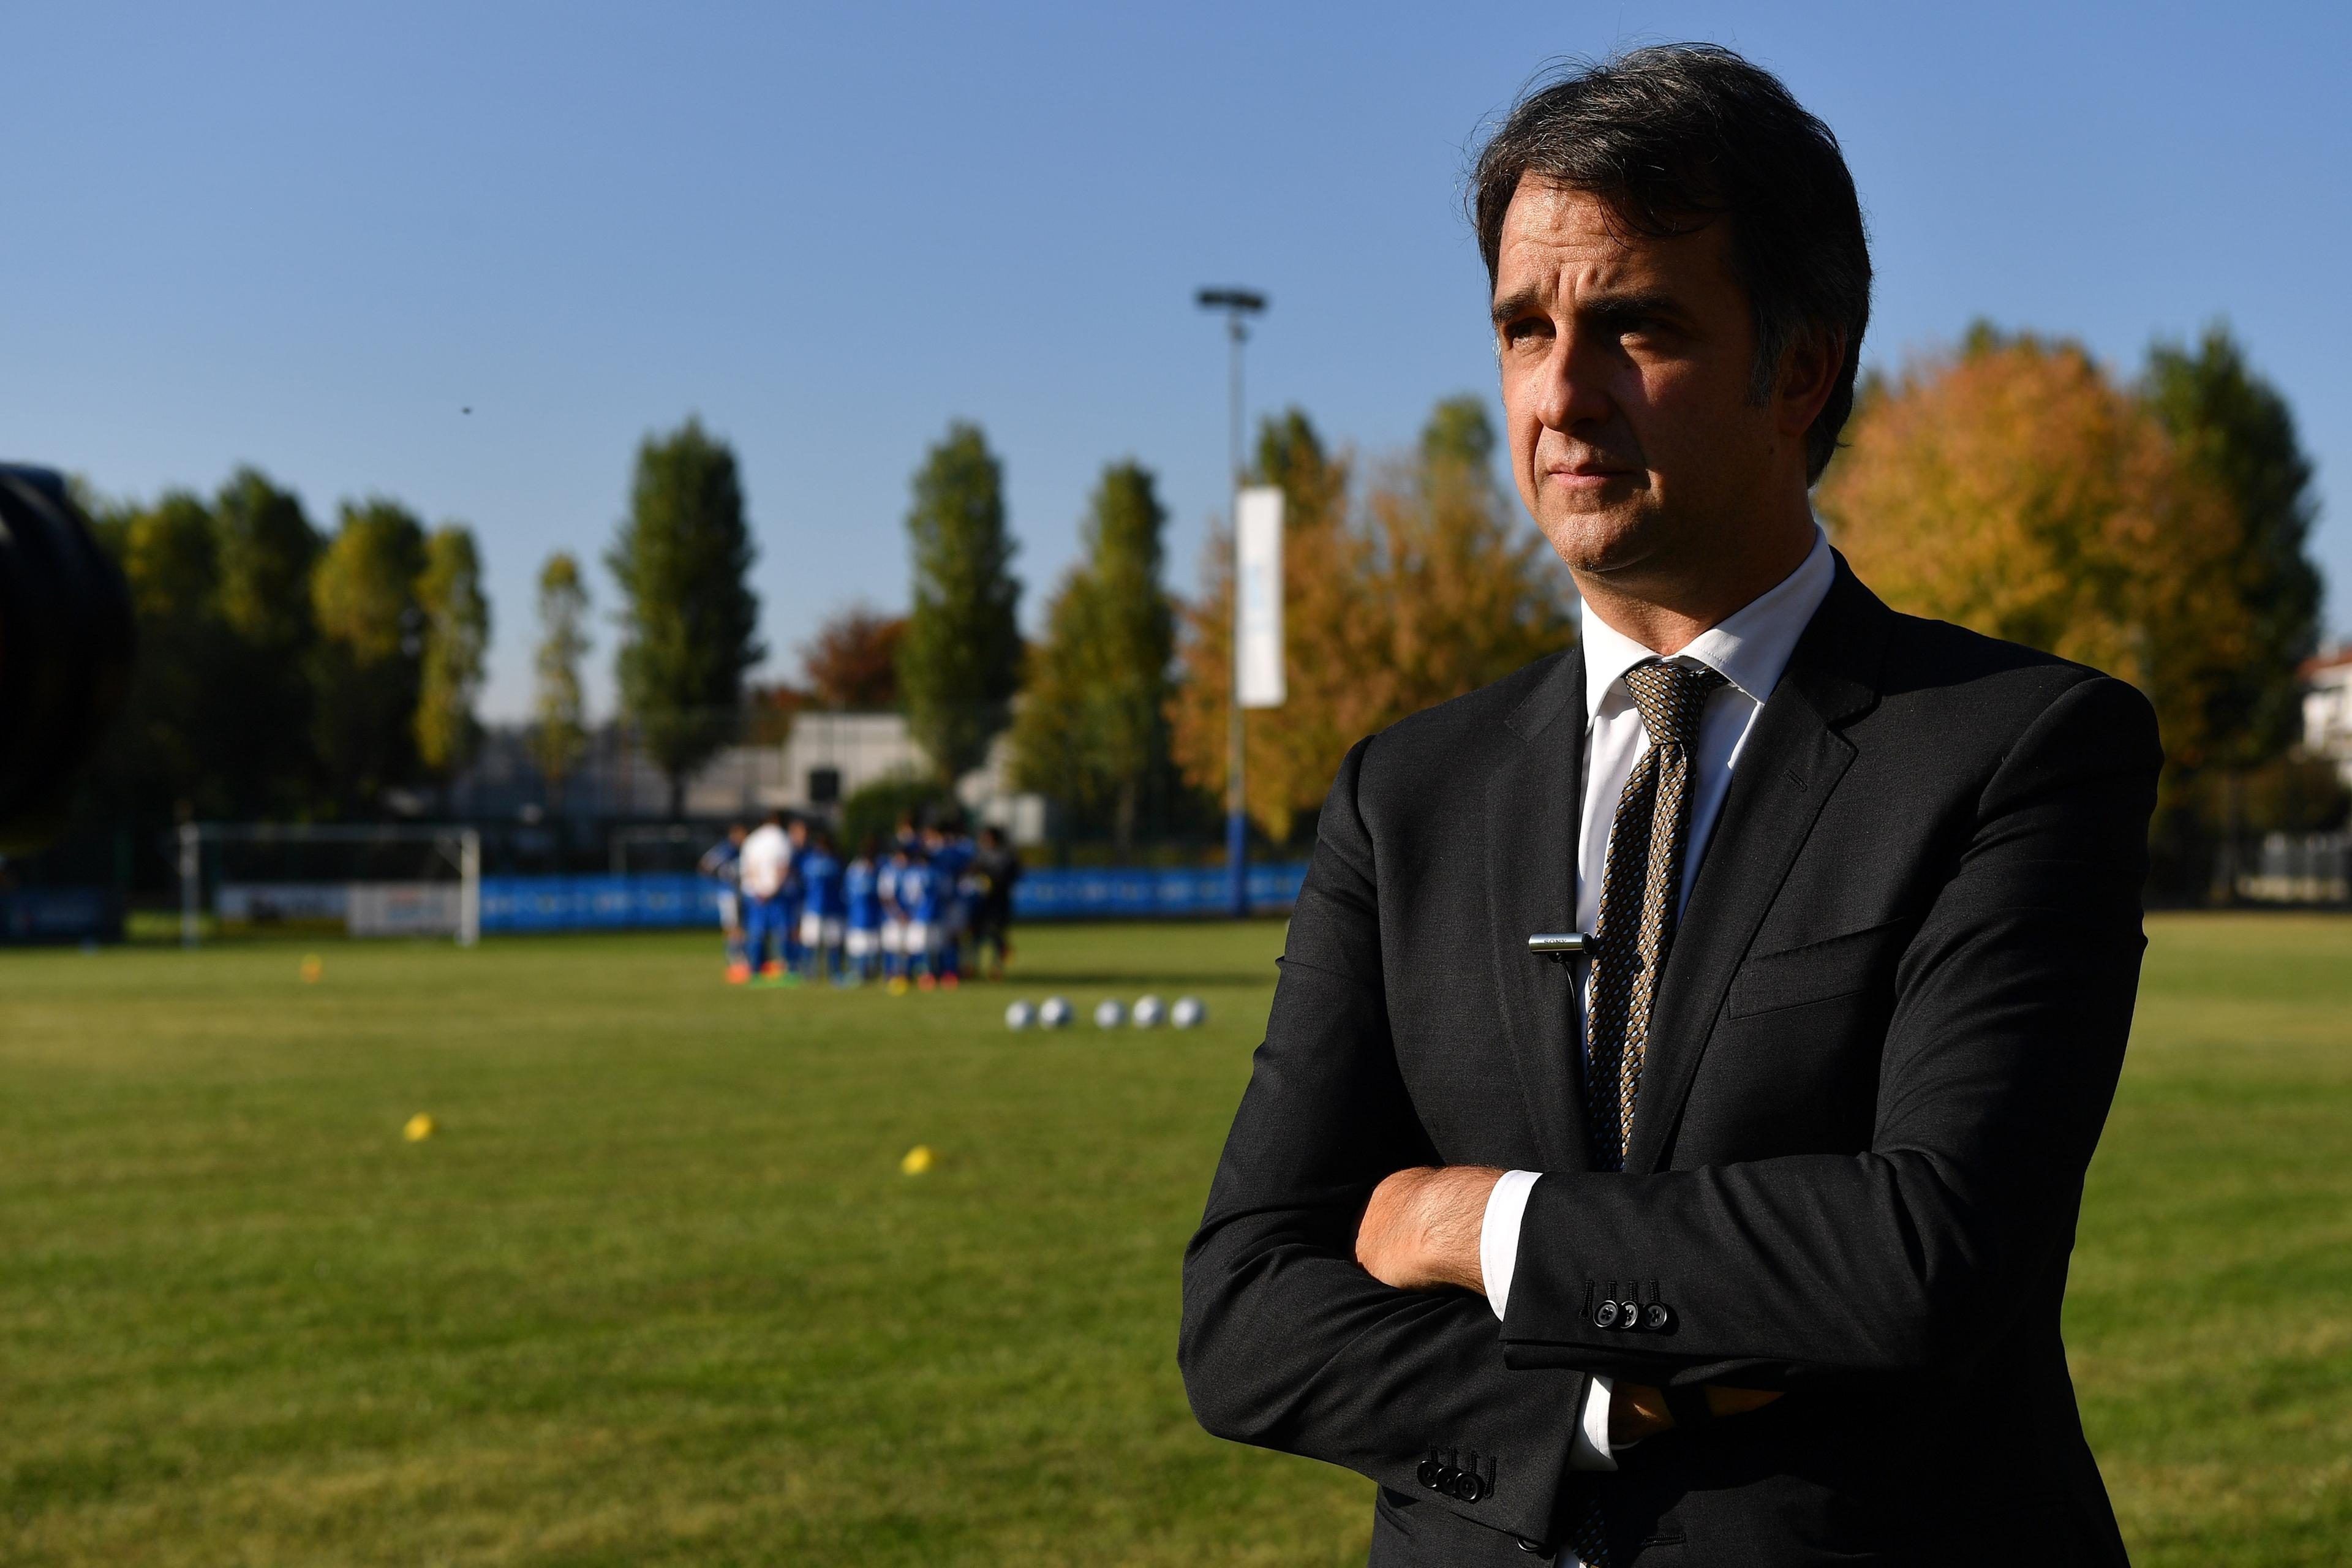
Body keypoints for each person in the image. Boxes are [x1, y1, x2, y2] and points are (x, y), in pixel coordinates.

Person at [1178, 45, 2159, 1568]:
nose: (1560, 393)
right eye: (1522, 328)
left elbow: (1927, 1253)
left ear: (1800, 368)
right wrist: (1599, 1409)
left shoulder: (2015, 748)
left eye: (1635, 325)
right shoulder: (1405, 792)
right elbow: (1244, 1309)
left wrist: (1477, 1222)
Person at [736, 812, 792, 982]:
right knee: (782, 932)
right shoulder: (781, 838)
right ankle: (787, 969)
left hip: (755, 895)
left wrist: (758, 890)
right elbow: (782, 868)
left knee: (755, 933)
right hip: (776, 894)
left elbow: (749, 869)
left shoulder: (752, 840)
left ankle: (755, 970)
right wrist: (772, 890)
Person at [699, 822, 750, 984]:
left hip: (741, 892)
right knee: (733, 927)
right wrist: (722, 879)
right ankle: (735, 961)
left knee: (741, 927)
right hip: (729, 894)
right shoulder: (726, 850)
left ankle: (741, 959)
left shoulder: (745, 850)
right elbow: (705, 866)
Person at [969, 825, 1020, 980]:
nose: (985, 841)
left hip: (999, 904)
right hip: (981, 904)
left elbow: (1011, 876)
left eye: (988, 838)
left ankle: (996, 968)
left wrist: (992, 879)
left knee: (996, 936)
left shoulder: (1006, 856)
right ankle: (973, 966)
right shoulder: (980, 854)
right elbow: (972, 871)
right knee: (976, 936)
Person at [797, 830, 846, 984]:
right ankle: (810, 972)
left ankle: (834, 972)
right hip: (815, 908)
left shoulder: (831, 862)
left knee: (831, 943)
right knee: (811, 943)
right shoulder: (812, 861)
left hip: (828, 908)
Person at [843, 837, 884, 984]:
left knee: (872, 948)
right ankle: (858, 974)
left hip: (874, 917)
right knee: (858, 948)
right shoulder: (855, 870)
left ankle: (871, 975)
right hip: (858, 917)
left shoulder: (880, 869)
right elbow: (848, 894)